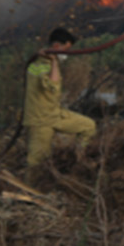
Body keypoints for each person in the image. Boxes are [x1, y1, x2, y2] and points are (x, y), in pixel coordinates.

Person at [24, 27, 96, 166]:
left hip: (54, 114)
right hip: (40, 120)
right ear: (56, 46)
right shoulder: (41, 64)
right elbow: (53, 86)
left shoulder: (45, 61)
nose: (67, 54)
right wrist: (54, 62)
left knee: (89, 126)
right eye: (66, 49)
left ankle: (78, 158)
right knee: (37, 161)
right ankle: (30, 180)